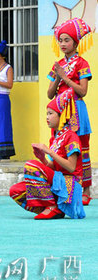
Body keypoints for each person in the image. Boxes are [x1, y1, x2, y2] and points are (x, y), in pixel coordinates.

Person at [9, 89, 85, 220]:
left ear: (61, 115)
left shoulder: (71, 137)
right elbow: (54, 168)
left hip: (69, 185)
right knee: (15, 191)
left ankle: (52, 207)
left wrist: (49, 152)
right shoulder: (55, 137)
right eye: (47, 114)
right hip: (57, 182)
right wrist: (43, 159)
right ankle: (51, 208)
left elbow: (71, 168)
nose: (47, 117)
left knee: (31, 165)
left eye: (50, 113)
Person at [47, 18, 93, 205]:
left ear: (75, 42)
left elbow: (82, 91)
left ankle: (86, 188)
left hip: (76, 109)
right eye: (61, 40)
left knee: (81, 148)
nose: (63, 44)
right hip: (59, 110)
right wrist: (58, 78)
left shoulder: (82, 64)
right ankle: (62, 186)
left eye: (67, 40)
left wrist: (65, 77)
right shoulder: (57, 64)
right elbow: (50, 94)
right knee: (60, 147)